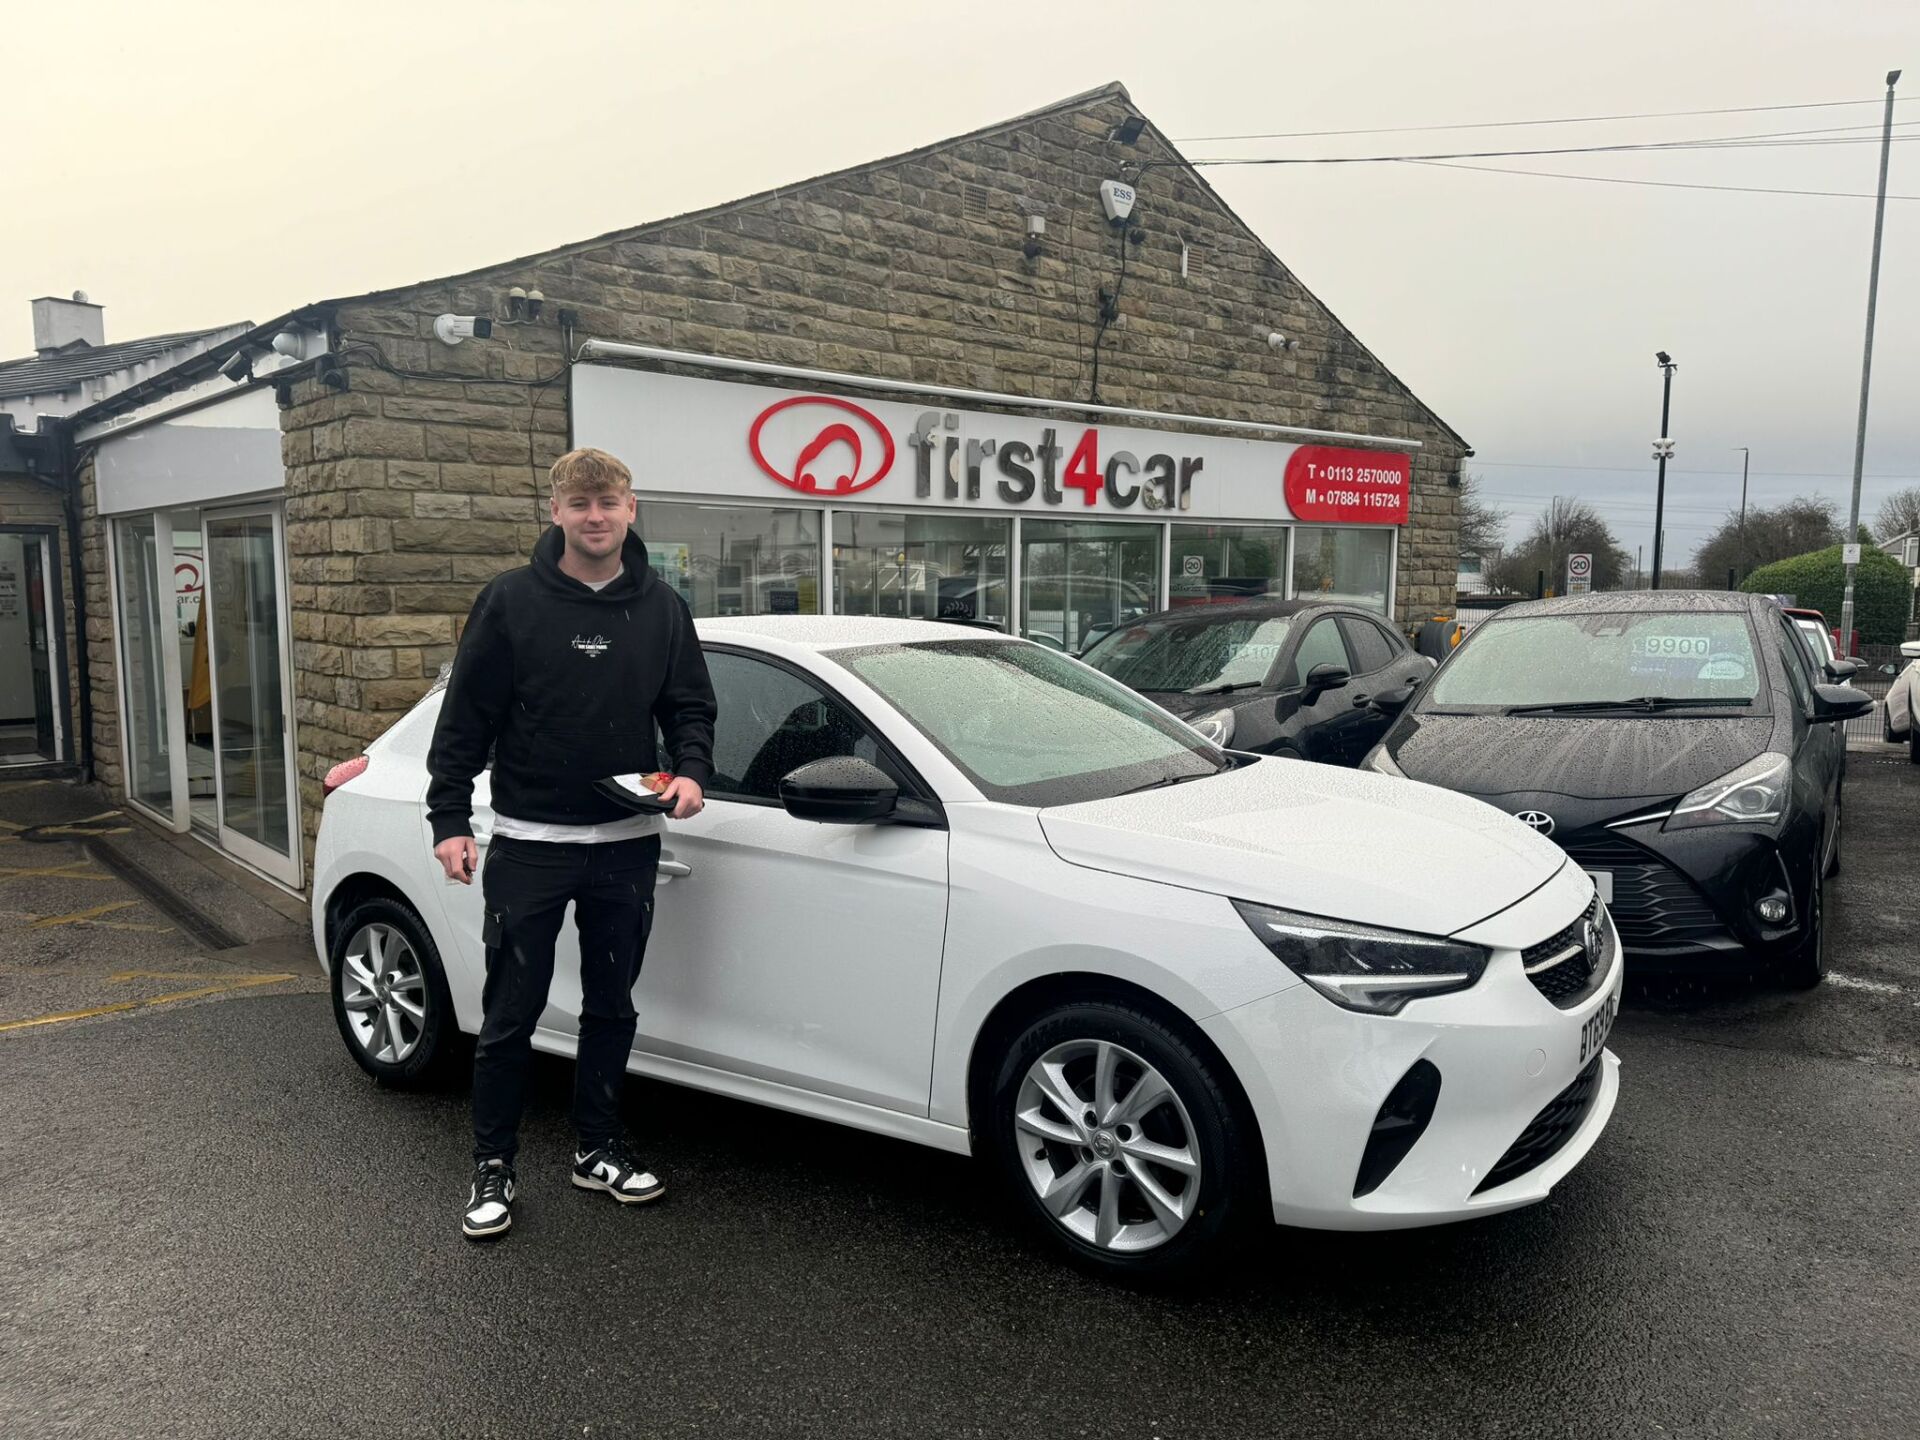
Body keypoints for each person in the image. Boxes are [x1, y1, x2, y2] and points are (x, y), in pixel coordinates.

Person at [426, 446, 716, 1241]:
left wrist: (690, 773)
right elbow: (465, 724)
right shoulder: (510, 602)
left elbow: (692, 706)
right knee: (510, 1013)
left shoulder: (663, 608)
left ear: (631, 509)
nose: (596, 516)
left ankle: (597, 1149)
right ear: (554, 512)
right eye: (580, 503)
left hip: (626, 843)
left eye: (610, 502)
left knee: (611, 1006)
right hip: (530, 846)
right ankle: (494, 1166)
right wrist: (450, 819)